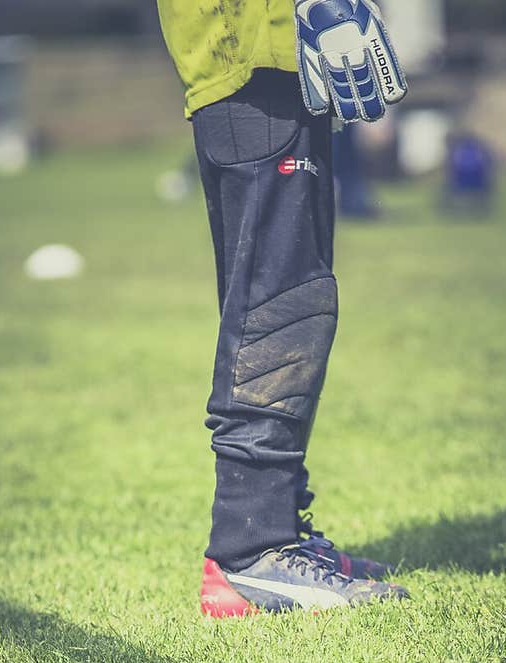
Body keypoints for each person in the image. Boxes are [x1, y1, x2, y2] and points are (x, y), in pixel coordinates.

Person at [156, 1, 409, 615]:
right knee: (282, 305)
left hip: (269, 58)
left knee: (293, 293)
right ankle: (251, 547)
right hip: (251, 56)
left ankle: (277, 528)